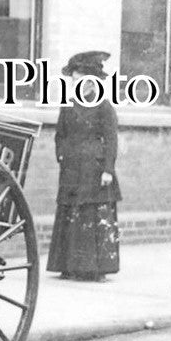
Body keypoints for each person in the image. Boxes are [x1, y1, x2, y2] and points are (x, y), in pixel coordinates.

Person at [47, 50, 121, 282]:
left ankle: (94, 269)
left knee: (91, 213)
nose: (77, 84)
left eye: (81, 80)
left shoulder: (104, 107)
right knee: (70, 213)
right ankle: (67, 266)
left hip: (94, 169)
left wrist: (108, 169)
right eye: (75, 80)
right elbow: (60, 135)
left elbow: (111, 139)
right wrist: (60, 155)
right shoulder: (68, 106)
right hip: (71, 168)